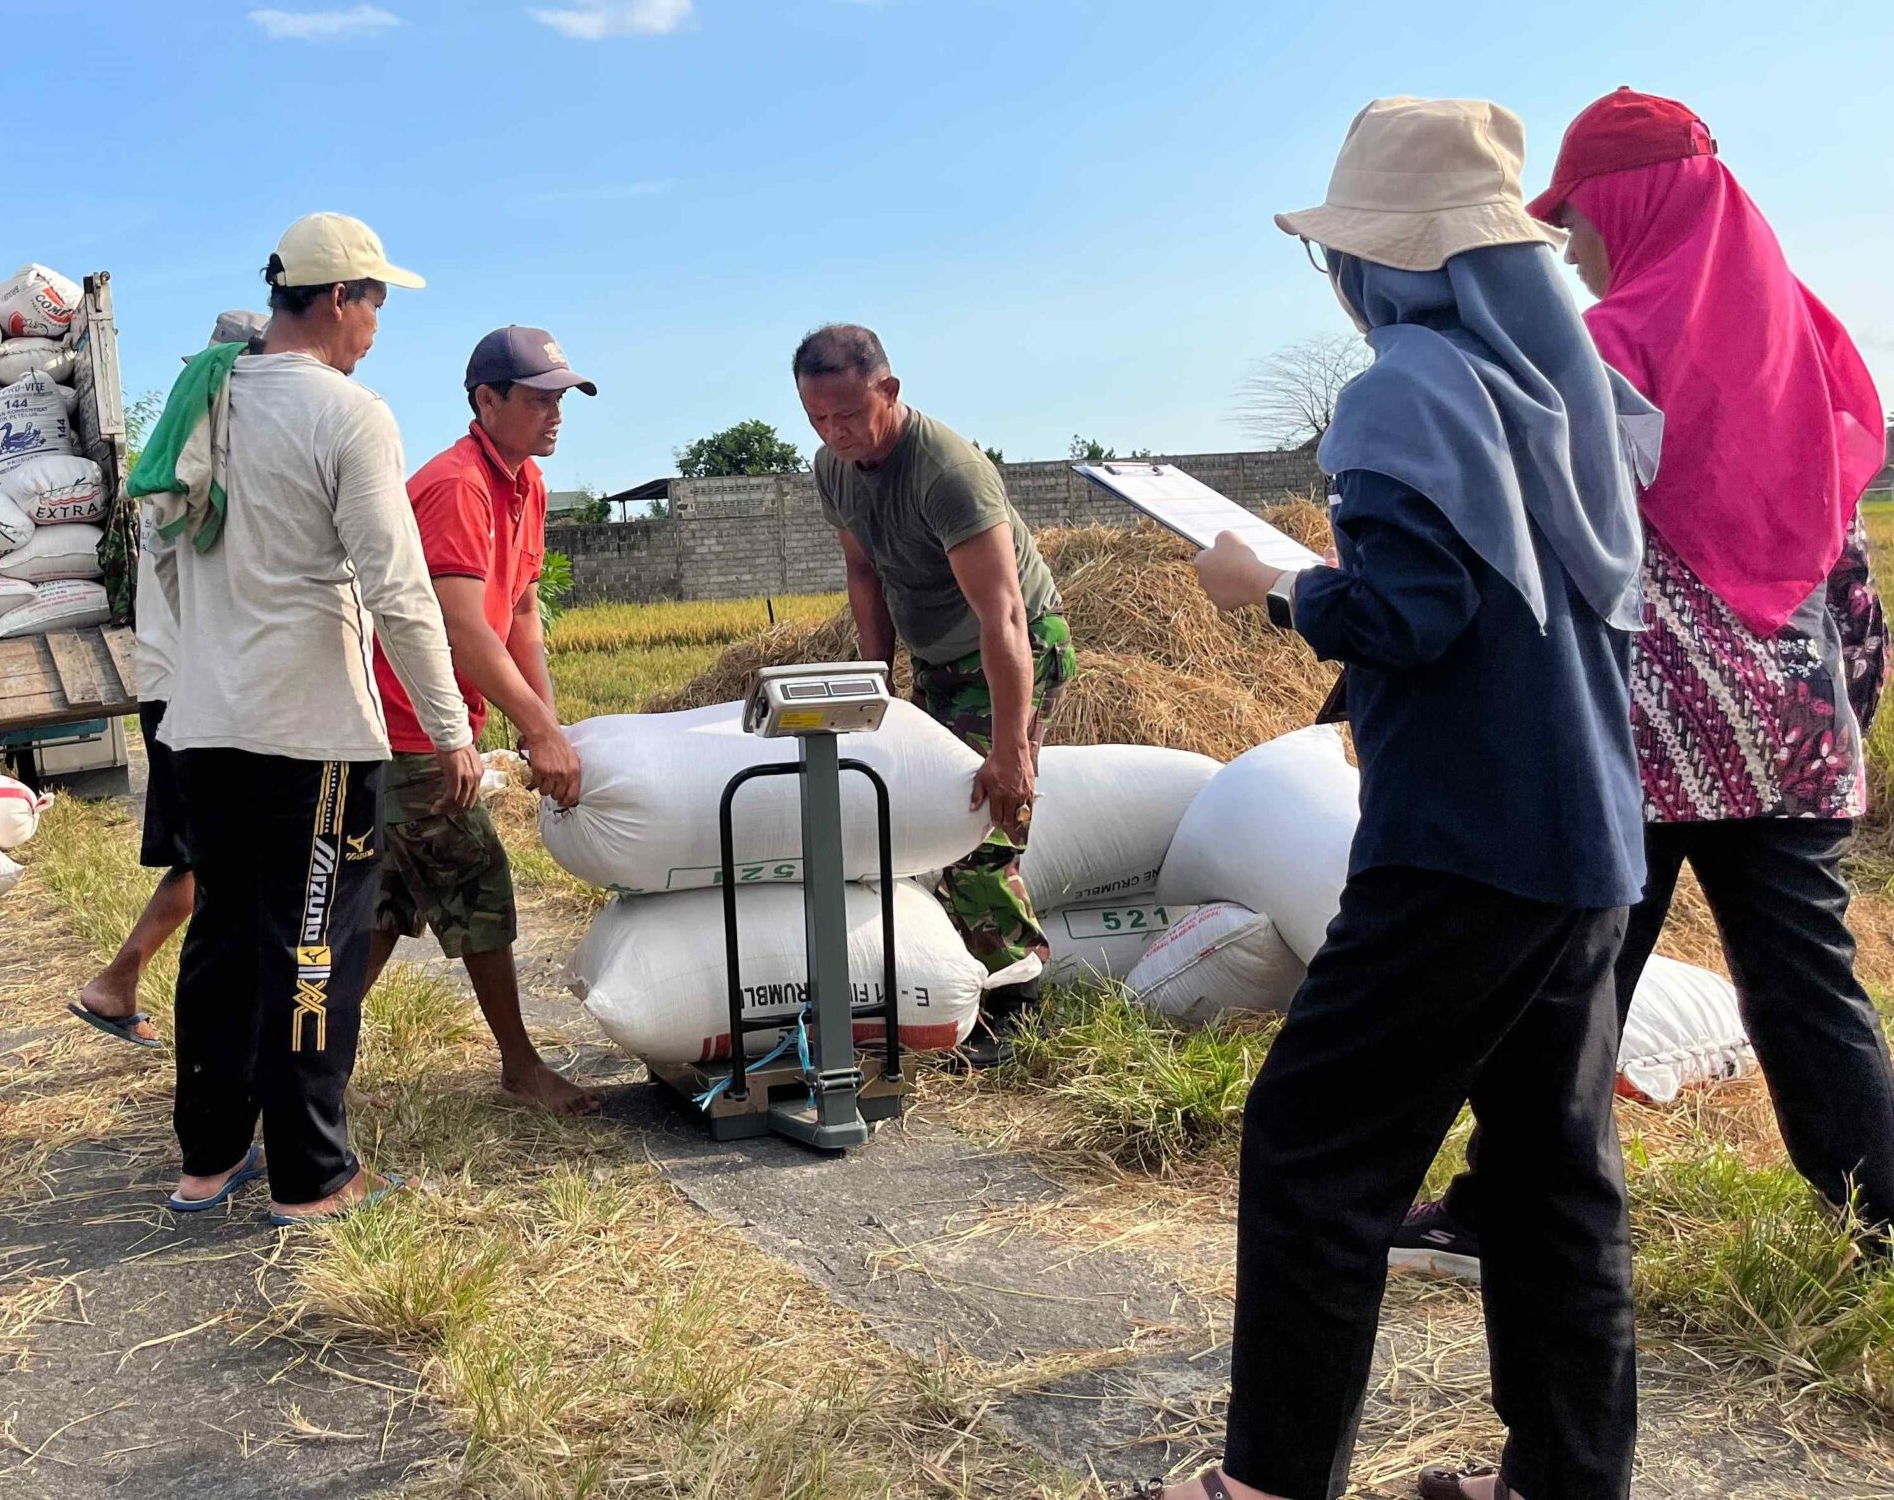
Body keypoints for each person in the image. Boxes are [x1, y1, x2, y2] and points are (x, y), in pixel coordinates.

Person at [1136, 98, 1658, 1500]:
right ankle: (1564, 1478)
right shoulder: (1572, 396)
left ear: (1388, 264)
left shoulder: (1408, 388)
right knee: (1556, 1179)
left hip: (1464, 846)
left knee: (1314, 1148)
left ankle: (1267, 1482)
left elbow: (1412, 612)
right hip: (1591, 841)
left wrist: (1280, 585)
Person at [1396, 89, 1894, 1283]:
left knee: (1575, 983)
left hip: (1647, 736)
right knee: (1805, 990)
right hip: (1793, 732)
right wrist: (1847, 706)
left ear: (1627, 204)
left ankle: (1496, 1208)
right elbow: (1847, 554)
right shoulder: (1803, 333)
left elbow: (1552, 542)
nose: (1567, 244)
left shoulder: (1610, 350)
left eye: (1578, 215)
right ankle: (1881, 1223)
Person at [144, 216, 478, 1225]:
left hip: (203, 723)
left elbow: (161, 563)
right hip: (313, 735)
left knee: (222, 936)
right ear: (339, 299)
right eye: (375, 304)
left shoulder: (202, 401)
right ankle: (311, 1173)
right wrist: (449, 725)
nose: (376, 327)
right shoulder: (348, 413)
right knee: (312, 946)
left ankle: (206, 1158)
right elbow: (398, 585)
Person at [794, 325, 1076, 1015]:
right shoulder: (832, 468)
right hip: (938, 658)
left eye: (849, 414)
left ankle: (1020, 1003)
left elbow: (1005, 615)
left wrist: (1010, 750)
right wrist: (873, 677)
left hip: (1016, 648)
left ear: (888, 391)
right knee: (927, 816)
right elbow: (863, 569)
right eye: (817, 417)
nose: (835, 431)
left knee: (979, 826)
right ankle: (962, 989)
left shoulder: (947, 473)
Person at [360, 326, 600, 1117]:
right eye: (537, 399)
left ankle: (295, 1066)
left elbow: (521, 613)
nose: (554, 414)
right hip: (406, 725)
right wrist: (535, 731)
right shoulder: (458, 486)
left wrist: (547, 719)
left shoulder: (523, 484)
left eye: (560, 398)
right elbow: (464, 627)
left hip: (433, 726)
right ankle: (520, 1065)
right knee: (477, 878)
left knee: (386, 909)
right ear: (485, 400)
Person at [67, 309, 268, 1051]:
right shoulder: (198, 458)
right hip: (190, 685)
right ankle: (118, 982)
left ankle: (122, 984)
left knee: (208, 862)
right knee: (206, 862)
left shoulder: (178, 449)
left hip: (178, 678)